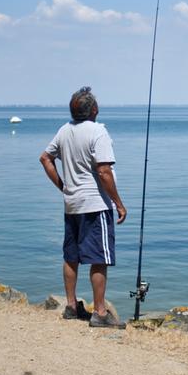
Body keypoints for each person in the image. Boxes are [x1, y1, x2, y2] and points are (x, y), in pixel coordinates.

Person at [40, 86, 127, 328]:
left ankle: (71, 306)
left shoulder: (64, 130)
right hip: (95, 205)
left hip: (72, 205)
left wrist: (64, 187)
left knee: (72, 256)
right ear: (95, 109)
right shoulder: (98, 131)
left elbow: (45, 158)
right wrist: (119, 204)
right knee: (99, 258)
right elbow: (104, 171)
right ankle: (99, 312)